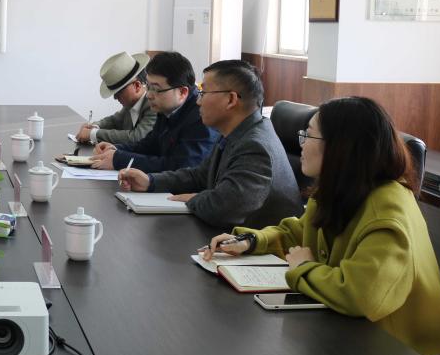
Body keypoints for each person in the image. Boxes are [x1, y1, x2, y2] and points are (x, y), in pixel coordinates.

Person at [201, 97, 440, 355]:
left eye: (309, 135)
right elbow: (298, 232)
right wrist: (251, 241)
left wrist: (304, 268)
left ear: (342, 147)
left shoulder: (387, 213)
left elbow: (362, 296)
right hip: (360, 338)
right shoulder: (340, 190)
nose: (301, 144)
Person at [119, 59, 303, 228]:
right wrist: (151, 182)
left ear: (231, 99)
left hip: (267, 248)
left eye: (203, 93)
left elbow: (224, 208)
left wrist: (194, 198)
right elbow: (200, 175)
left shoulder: (255, 146)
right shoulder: (237, 132)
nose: (198, 101)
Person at [89, 51, 216, 172]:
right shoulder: (166, 107)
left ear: (182, 92)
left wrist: (119, 159)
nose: (149, 95)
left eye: (156, 89)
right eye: (148, 87)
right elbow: (150, 145)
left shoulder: (201, 117)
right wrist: (116, 149)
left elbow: (179, 166)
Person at [74, 51, 155, 147]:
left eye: (119, 92)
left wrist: (93, 134)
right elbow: (114, 120)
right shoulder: (131, 104)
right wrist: (94, 126)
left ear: (137, 86)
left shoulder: (154, 105)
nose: (115, 97)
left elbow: (137, 137)